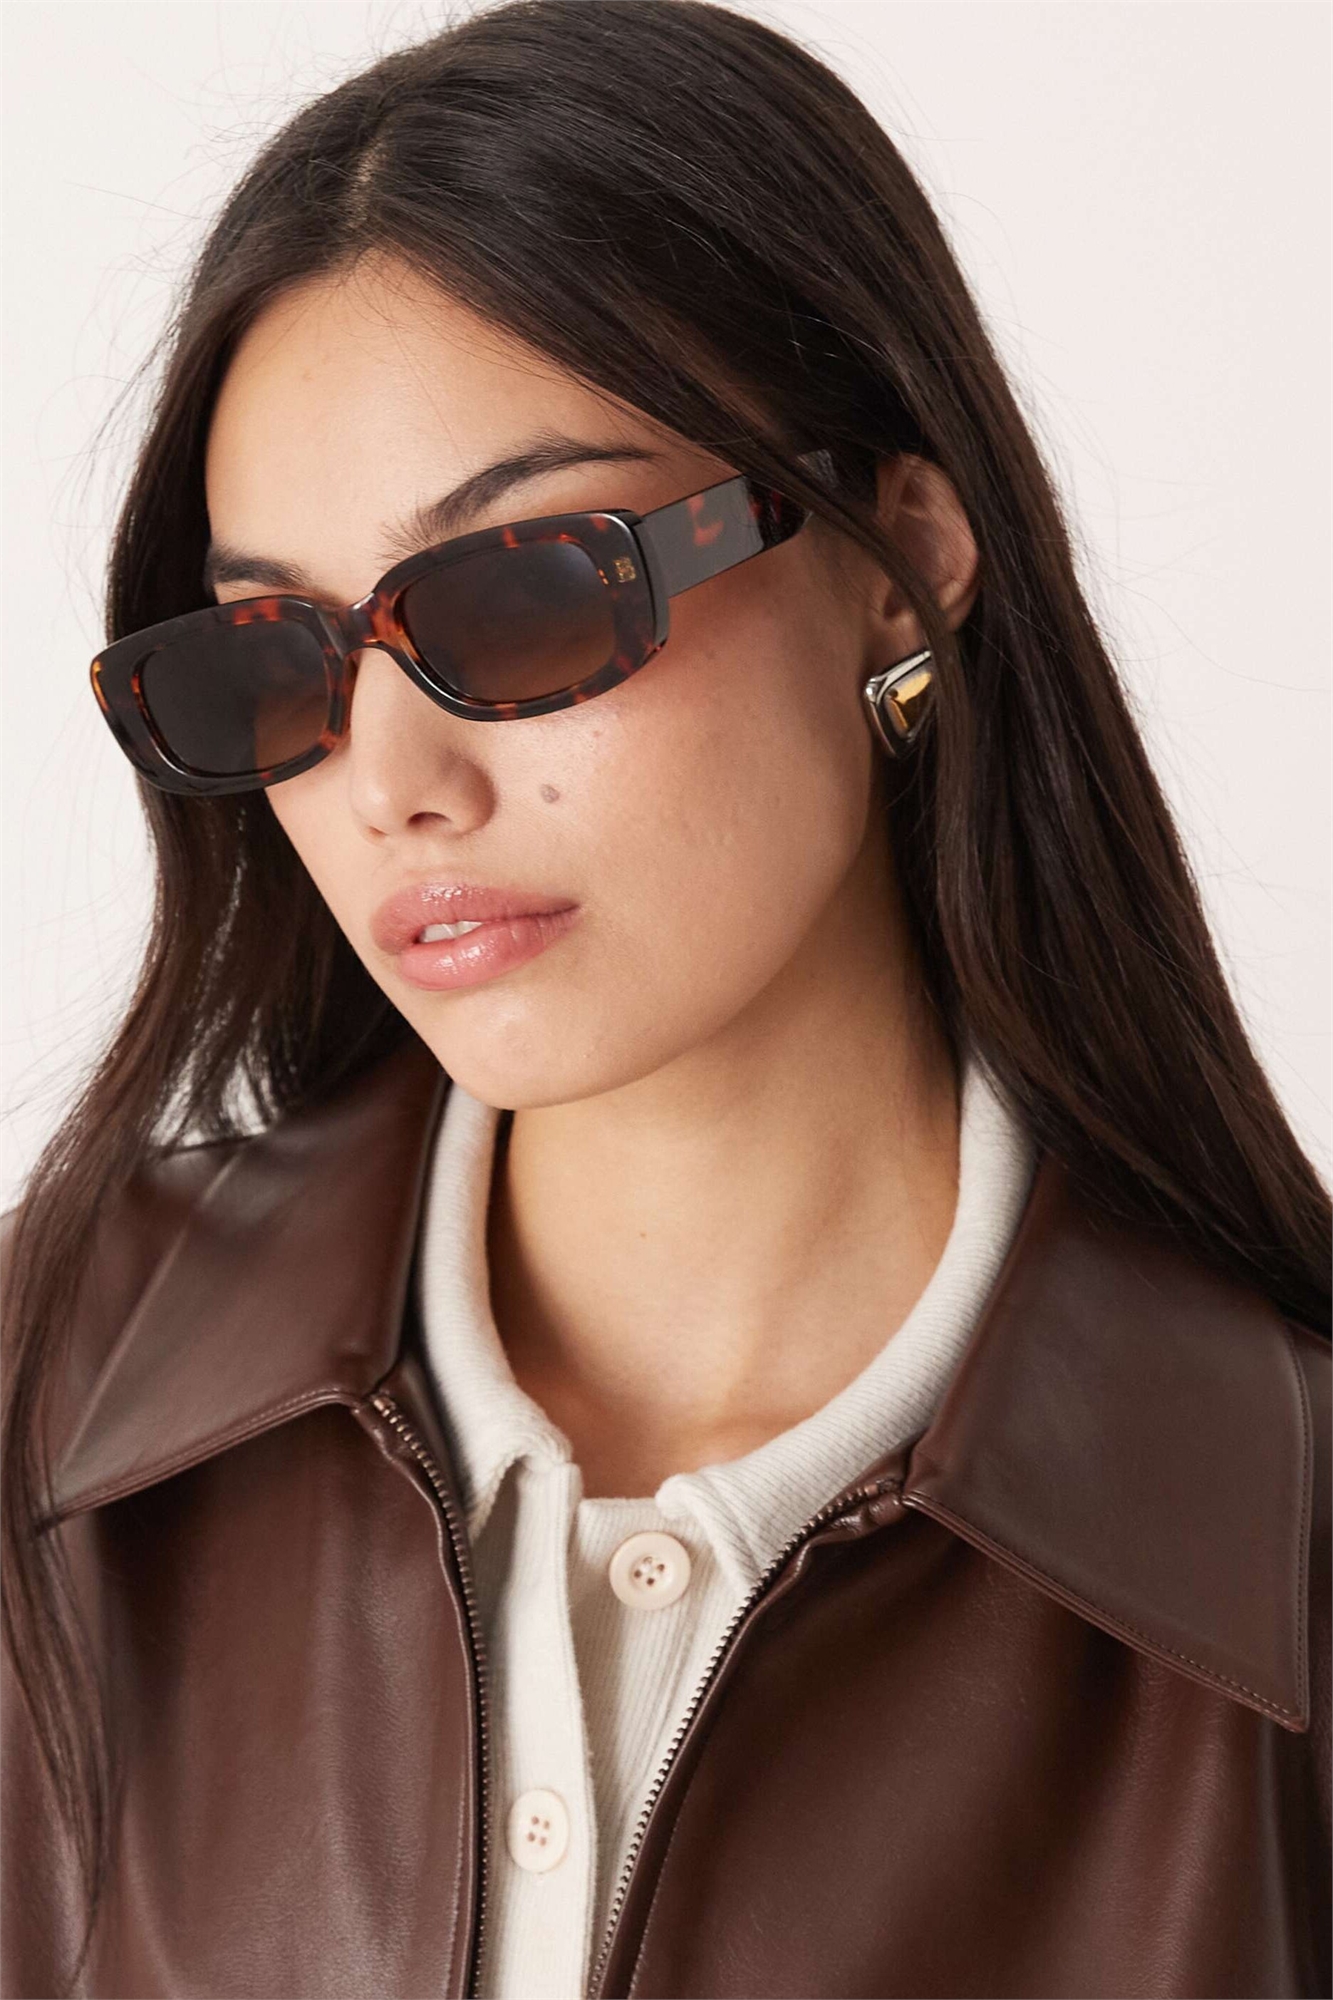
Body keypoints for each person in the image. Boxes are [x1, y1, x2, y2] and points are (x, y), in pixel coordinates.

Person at [2, 2, 1328, 1995]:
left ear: (898, 554)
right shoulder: (52, 1412)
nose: (392, 784)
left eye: (523, 592)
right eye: (276, 655)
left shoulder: (1276, 1569)